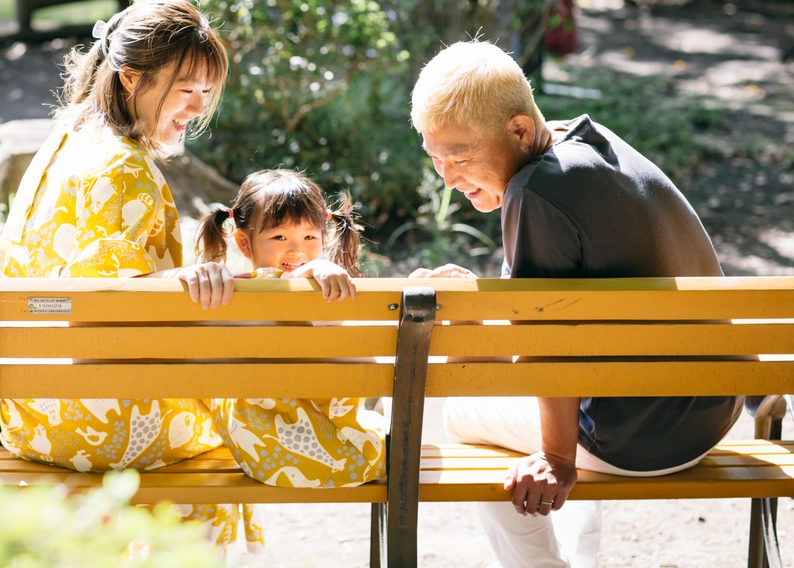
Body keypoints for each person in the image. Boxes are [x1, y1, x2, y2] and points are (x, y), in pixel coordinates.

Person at [407, 40, 742, 568]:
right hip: (712, 411)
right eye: (435, 159)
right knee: (518, 391)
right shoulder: (585, 144)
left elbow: (544, 347)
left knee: (451, 412)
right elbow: (551, 319)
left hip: (643, 438)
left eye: (459, 156)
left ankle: (540, 567)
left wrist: (557, 459)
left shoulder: (533, 192)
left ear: (518, 129)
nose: (447, 178)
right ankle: (580, 555)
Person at [0, 0, 259, 550]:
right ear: (131, 77)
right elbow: (127, 315)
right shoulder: (126, 169)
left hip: (32, 410)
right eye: (186, 90)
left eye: (206, 92)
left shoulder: (63, 141)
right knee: (243, 422)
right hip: (102, 421)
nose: (197, 107)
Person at [196, 169, 389, 489]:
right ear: (245, 242)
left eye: (309, 238)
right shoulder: (327, 291)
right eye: (280, 237)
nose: (297, 252)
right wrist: (317, 271)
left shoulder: (225, 295)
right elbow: (364, 367)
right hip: (351, 458)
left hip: (262, 455)